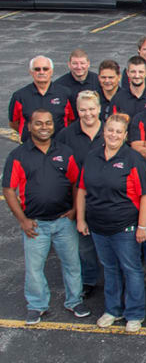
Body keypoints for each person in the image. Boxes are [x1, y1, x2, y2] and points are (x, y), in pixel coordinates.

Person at [3, 109, 89, 325]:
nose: (44, 127)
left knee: (72, 264)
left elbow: (76, 183)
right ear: (29, 126)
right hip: (35, 224)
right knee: (34, 269)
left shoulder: (65, 152)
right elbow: (9, 190)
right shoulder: (18, 155)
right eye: (39, 123)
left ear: (53, 125)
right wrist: (22, 220)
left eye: (48, 123)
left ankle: (75, 301)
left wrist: (74, 210)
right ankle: (37, 305)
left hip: (63, 221)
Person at [76, 113, 146, 333]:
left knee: (131, 269)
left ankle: (135, 314)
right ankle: (113, 310)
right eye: (110, 130)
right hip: (98, 226)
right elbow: (82, 189)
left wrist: (142, 226)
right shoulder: (92, 157)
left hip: (125, 227)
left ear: (125, 135)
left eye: (119, 132)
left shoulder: (133, 159)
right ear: (104, 131)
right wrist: (81, 219)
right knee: (110, 269)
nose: (114, 135)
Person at [54, 90, 103, 296]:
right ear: (77, 110)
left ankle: (113, 279)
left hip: (105, 198)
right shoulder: (66, 135)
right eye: (83, 110)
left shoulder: (109, 131)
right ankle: (89, 279)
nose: (88, 113)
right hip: (77, 197)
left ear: (99, 109)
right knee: (84, 245)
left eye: (91, 109)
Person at [9, 55, 75, 141]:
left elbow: (71, 120)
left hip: (59, 145)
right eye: (37, 69)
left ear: (51, 71)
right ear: (31, 72)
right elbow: (13, 123)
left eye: (45, 69)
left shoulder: (65, 93)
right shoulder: (19, 96)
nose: (41, 72)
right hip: (30, 146)